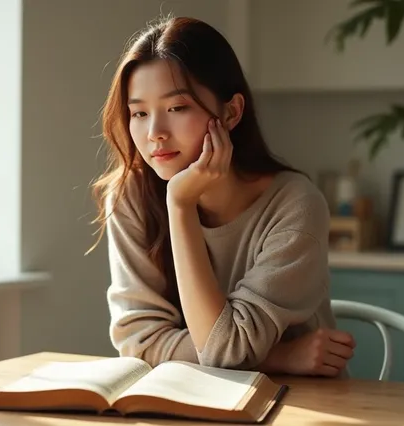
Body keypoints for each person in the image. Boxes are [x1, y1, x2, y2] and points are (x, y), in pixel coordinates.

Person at [88, 15, 356, 377]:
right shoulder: (129, 197)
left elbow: (225, 350)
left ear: (231, 112)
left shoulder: (295, 204)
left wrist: (180, 205)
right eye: (139, 113)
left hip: (299, 402)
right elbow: (139, 342)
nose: (155, 133)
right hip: (192, 402)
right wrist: (280, 357)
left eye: (177, 108)